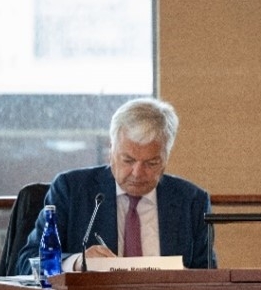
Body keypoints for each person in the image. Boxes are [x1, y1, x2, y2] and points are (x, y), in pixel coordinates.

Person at [17, 97, 214, 274]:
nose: (137, 173)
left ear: (166, 157)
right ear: (111, 150)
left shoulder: (191, 201)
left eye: (151, 163)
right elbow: (28, 262)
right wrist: (76, 262)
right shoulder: (71, 190)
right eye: (128, 160)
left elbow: (210, 279)